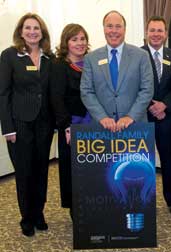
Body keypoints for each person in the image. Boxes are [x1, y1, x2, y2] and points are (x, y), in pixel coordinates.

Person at [0, 13, 54, 236]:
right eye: (28, 28)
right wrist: (8, 127)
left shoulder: (49, 57)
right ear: (21, 31)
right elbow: (3, 94)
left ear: (42, 32)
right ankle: (27, 218)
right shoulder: (10, 55)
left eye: (37, 28)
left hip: (44, 123)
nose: (32, 32)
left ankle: (39, 212)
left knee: (42, 170)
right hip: (20, 123)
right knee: (24, 172)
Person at [80, 10, 153, 132]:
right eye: (109, 26)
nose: (114, 31)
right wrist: (102, 117)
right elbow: (86, 91)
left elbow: (147, 89)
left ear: (125, 29)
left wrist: (131, 116)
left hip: (135, 127)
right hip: (101, 128)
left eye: (118, 26)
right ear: (104, 29)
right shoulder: (90, 58)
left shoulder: (141, 56)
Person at [50, 24, 90, 218]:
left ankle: (92, 205)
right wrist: (66, 127)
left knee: (92, 167)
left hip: (93, 124)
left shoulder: (91, 63)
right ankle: (77, 212)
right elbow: (56, 99)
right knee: (73, 170)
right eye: (74, 39)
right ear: (66, 42)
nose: (79, 43)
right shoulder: (59, 66)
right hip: (72, 126)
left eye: (82, 39)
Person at [141, 16, 171, 216]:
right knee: (142, 162)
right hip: (143, 117)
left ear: (165, 33)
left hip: (167, 117)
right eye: (152, 30)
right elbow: (134, 86)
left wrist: (165, 104)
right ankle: (143, 201)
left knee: (169, 160)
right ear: (146, 32)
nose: (156, 34)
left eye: (160, 30)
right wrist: (150, 105)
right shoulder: (136, 55)